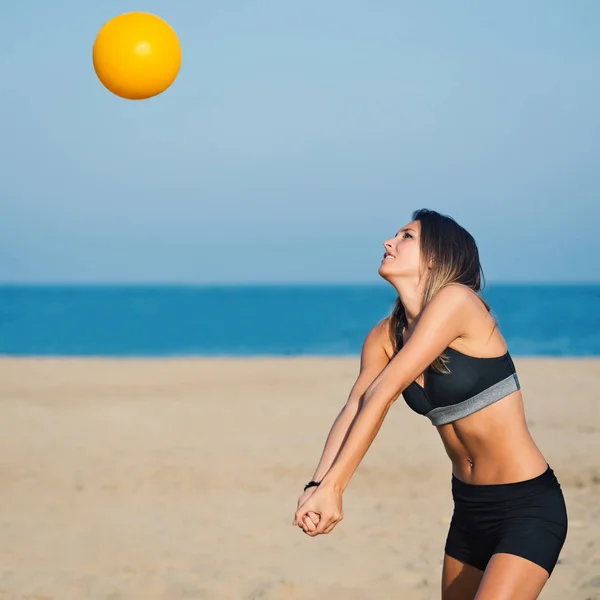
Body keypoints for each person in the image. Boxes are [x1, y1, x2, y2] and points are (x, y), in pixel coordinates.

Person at [293, 209, 568, 599]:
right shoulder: (386, 335)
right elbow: (356, 405)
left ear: (437, 257)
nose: (389, 242)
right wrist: (317, 484)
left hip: (526, 507)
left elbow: (384, 392)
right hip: (469, 511)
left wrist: (336, 487)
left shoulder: (458, 301)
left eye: (406, 236)